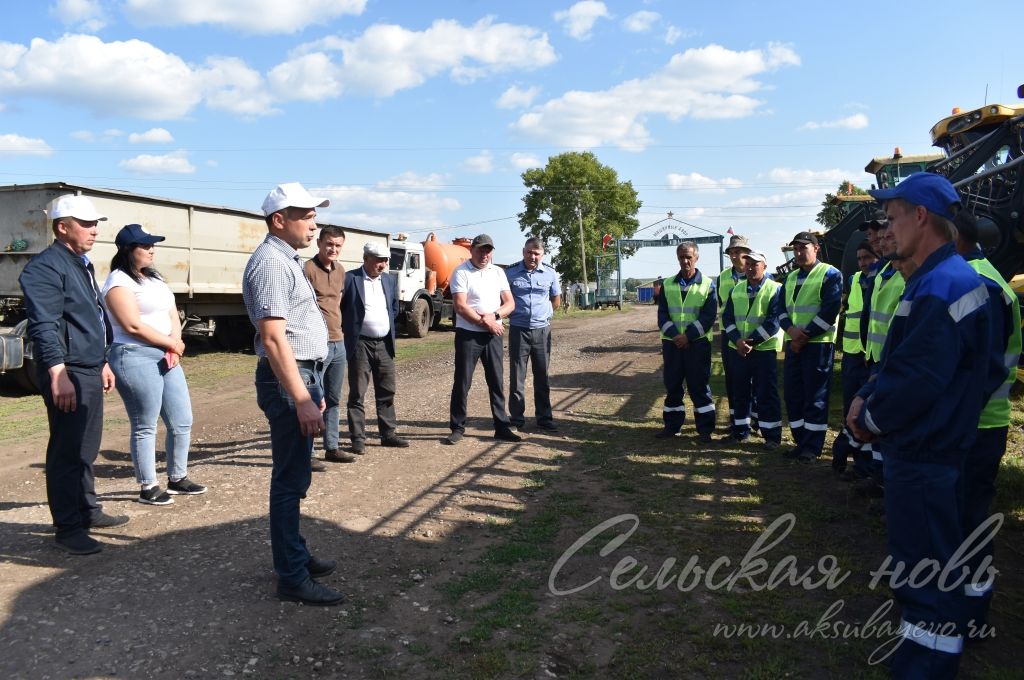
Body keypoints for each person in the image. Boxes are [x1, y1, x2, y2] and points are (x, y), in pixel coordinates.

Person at [849, 172, 1002, 677]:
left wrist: (868, 416)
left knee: (926, 580)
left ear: (920, 216)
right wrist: (873, 393)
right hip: (934, 448)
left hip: (923, 454)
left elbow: (917, 378)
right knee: (932, 570)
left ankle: (925, 669)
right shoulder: (942, 279)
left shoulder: (941, 286)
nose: (883, 232)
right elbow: (914, 364)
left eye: (891, 219)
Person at [243, 182, 343, 606]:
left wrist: (310, 387)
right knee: (289, 480)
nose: (313, 223)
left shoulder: (287, 259)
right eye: (305, 216)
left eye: (313, 215)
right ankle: (291, 577)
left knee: (295, 476)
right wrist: (301, 396)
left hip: (303, 374)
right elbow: (273, 338)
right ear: (278, 220)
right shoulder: (270, 262)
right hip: (289, 379)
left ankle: (295, 555)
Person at [19, 194, 129, 554]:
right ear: (62, 227)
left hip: (89, 368)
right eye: (86, 223)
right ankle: (67, 528)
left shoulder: (81, 263)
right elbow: (44, 326)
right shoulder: (45, 268)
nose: (95, 230)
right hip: (68, 371)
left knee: (86, 447)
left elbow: (92, 319)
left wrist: (103, 361)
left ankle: (87, 510)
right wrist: (57, 371)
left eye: (96, 223)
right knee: (67, 451)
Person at [103, 224, 206, 506]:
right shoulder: (118, 282)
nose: (151, 250)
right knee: (145, 423)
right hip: (134, 355)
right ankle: (148, 485)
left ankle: (178, 477)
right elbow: (132, 325)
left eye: (152, 245)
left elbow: (173, 312)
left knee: (181, 419)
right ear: (127, 250)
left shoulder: (154, 280)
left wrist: (177, 338)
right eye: (145, 245)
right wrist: (170, 343)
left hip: (165, 354)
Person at [953, 210, 1020, 633]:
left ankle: (972, 614)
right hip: (974, 422)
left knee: (968, 518)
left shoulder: (979, 286)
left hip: (978, 424)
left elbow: (981, 371)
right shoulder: (976, 279)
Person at [444, 234, 521, 445]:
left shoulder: (498, 272)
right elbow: (460, 306)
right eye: (480, 250)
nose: (484, 254)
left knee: (496, 381)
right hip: (468, 335)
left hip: (492, 334)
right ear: (472, 250)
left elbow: (510, 303)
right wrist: (484, 322)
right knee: (462, 381)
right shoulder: (460, 272)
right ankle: (457, 427)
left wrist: (494, 317)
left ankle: (502, 426)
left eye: (488, 251)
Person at [778, 231, 842, 462]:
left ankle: (812, 447)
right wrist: (792, 332)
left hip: (818, 345)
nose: (798, 253)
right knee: (794, 394)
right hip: (794, 343)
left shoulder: (830, 274)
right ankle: (800, 441)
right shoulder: (791, 278)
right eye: (795, 249)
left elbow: (830, 309)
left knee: (815, 396)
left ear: (816, 248)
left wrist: (803, 336)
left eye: (803, 248)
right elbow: (780, 310)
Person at [341, 242, 409, 455]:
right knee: (357, 393)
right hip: (360, 344)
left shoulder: (389, 280)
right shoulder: (350, 279)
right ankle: (357, 439)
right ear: (366, 258)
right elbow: (341, 309)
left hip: (384, 344)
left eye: (386, 260)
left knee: (387, 391)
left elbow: (394, 307)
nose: (384, 264)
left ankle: (388, 434)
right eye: (380, 260)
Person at [655, 241, 718, 444]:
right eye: (681, 257)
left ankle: (705, 430)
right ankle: (672, 427)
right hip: (672, 345)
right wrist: (676, 336)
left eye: (688, 257)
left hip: (697, 345)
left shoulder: (708, 285)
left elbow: (708, 317)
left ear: (696, 258)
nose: (685, 260)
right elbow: (662, 315)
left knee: (699, 386)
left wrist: (688, 336)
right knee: (673, 385)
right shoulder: (668, 284)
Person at [720, 250, 783, 449]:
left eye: (755, 264)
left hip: (763, 350)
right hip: (738, 349)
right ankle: (740, 432)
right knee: (740, 392)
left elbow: (774, 321)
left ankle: (771, 436)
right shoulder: (736, 289)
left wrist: (750, 342)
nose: (750, 267)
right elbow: (727, 319)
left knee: (766, 392)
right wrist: (738, 341)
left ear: (765, 266)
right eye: (747, 264)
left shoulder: (776, 289)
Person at [303, 225, 352, 467]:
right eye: (329, 244)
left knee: (333, 398)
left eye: (338, 245)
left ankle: (331, 446)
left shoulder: (341, 270)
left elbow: (337, 303)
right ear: (319, 243)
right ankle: (308, 453)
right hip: (316, 345)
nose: (333, 249)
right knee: (314, 398)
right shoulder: (308, 269)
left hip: (338, 342)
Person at [830, 237, 878, 476]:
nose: (862, 263)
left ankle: (861, 463)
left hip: (872, 356)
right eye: (859, 259)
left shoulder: (881, 281)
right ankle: (855, 458)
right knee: (852, 408)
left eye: (867, 258)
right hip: (852, 354)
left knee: (868, 411)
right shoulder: (854, 280)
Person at [506, 237, 561, 431]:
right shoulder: (510, 273)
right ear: (523, 252)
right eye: (529, 252)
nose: (533, 256)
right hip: (518, 330)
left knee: (542, 376)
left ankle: (544, 418)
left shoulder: (550, 274)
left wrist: (544, 315)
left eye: (537, 253)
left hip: (541, 331)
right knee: (517, 376)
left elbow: (556, 299)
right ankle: (516, 419)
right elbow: (503, 298)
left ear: (542, 255)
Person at [717, 234, 752, 428]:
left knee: (753, 379)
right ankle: (735, 420)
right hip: (729, 335)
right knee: (732, 378)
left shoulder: (759, 273)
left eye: (738, 251)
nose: (733, 255)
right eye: (731, 252)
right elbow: (722, 305)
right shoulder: (723, 277)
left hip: (752, 335)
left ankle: (754, 420)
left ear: (747, 253)